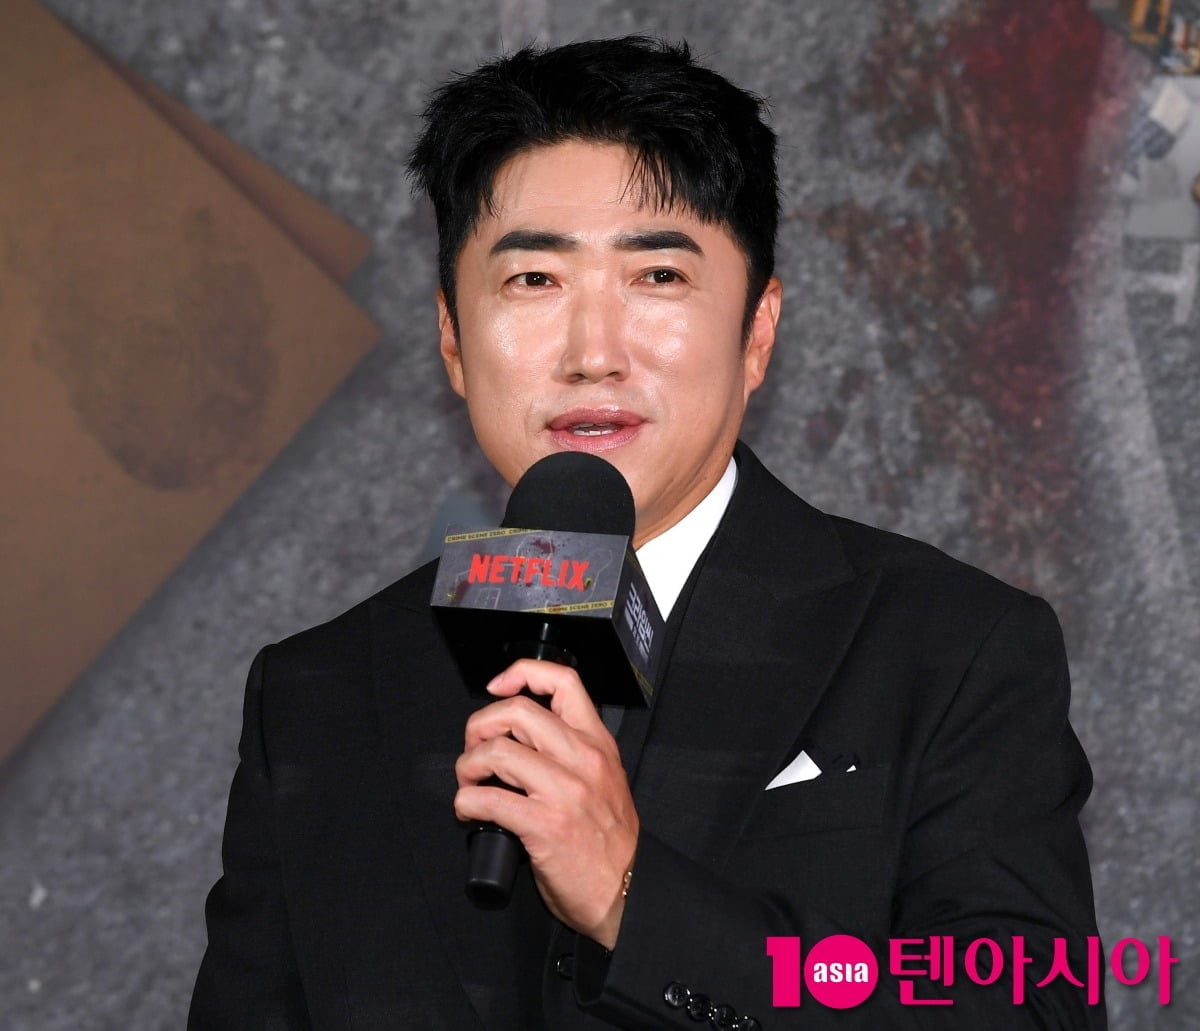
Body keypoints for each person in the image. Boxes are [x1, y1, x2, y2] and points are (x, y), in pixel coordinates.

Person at [189, 36, 1104, 1029]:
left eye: (657, 275)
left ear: (758, 331)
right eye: (534, 280)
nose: (594, 352)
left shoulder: (951, 649)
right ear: (451, 337)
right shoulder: (317, 694)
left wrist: (634, 898)